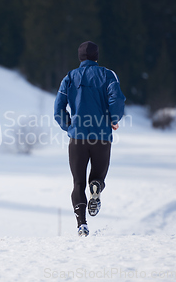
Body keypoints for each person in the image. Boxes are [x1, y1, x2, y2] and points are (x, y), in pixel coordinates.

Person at [54, 41, 125, 237]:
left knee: (78, 183)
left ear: (80, 57)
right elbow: (116, 99)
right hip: (102, 136)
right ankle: (97, 186)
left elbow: (58, 107)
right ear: (96, 56)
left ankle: (82, 224)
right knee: (97, 176)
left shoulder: (69, 77)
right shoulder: (108, 75)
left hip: (77, 138)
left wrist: (68, 125)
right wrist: (114, 118)